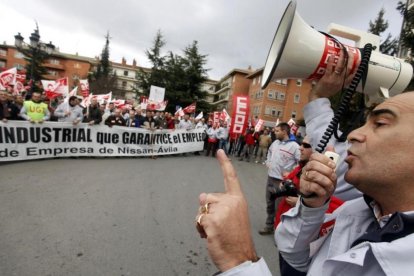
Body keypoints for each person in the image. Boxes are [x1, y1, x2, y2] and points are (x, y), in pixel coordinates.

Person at [258, 122, 300, 235]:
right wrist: (268, 161)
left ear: (284, 131)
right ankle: (269, 226)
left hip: (282, 182)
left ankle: (279, 232)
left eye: (277, 131)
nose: (274, 133)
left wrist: (291, 172)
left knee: (279, 207)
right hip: (271, 178)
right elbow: (269, 153)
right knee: (270, 203)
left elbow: (300, 163)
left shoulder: (294, 146)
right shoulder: (275, 143)